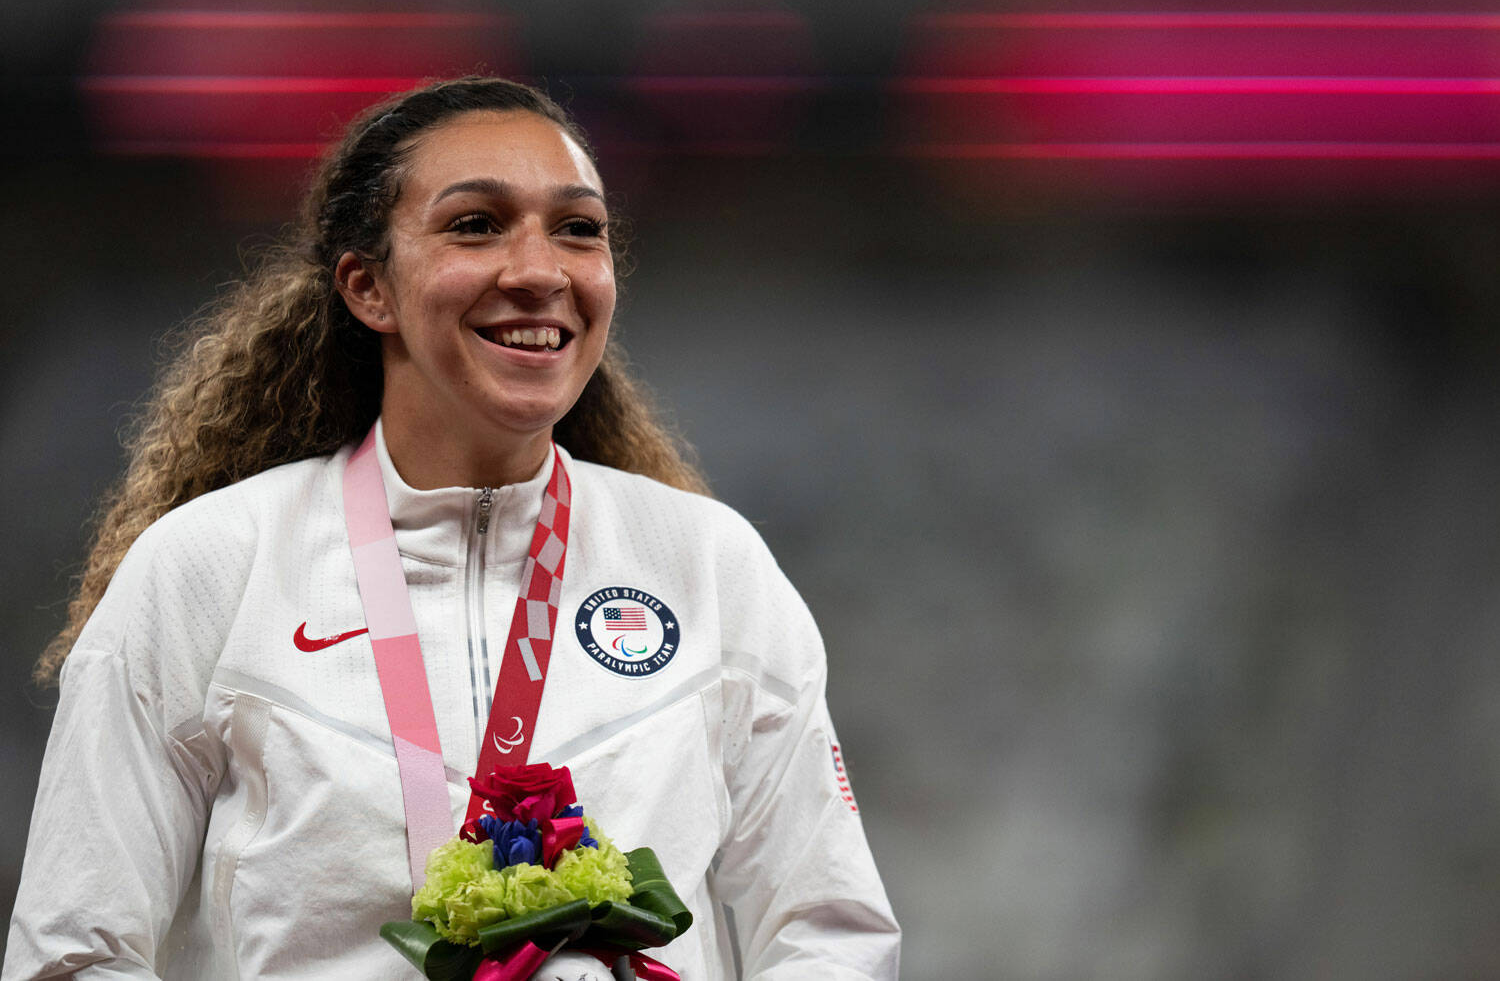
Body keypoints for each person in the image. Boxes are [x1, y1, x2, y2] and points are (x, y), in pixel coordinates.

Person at [3, 77, 899, 979]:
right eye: (476, 224)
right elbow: (72, 951)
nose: (540, 270)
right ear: (368, 286)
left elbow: (829, 933)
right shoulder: (207, 567)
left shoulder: (709, 564)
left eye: (577, 228)